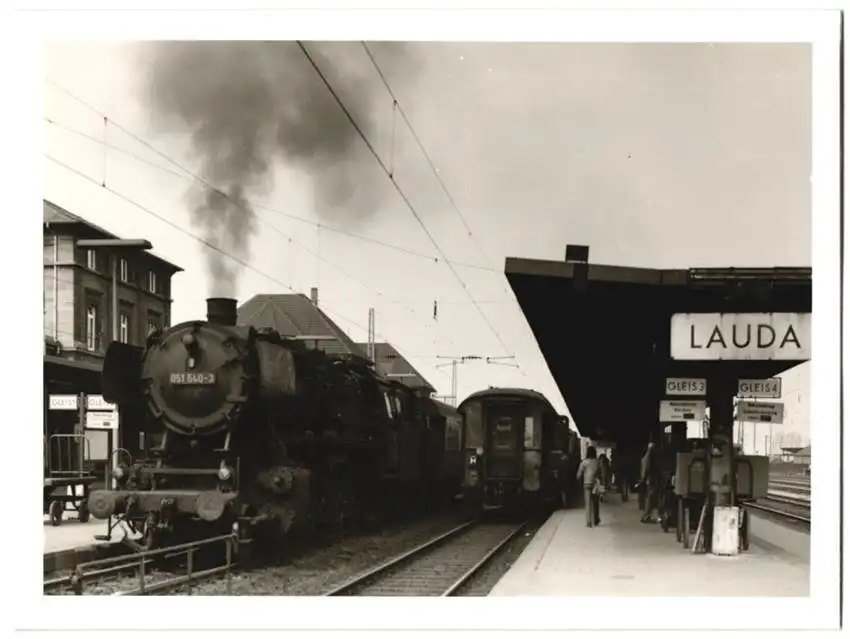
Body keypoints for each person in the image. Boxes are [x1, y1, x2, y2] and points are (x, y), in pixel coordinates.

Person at [576, 445, 601, 527]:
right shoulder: (597, 462)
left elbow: (579, 474)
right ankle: (596, 519)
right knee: (595, 502)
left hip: (587, 484)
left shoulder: (584, 462)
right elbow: (599, 472)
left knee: (588, 503)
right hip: (595, 484)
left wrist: (579, 478)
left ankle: (589, 522)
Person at [641, 441, 660, 524]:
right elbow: (647, 468)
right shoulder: (650, 456)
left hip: (650, 478)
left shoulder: (647, 456)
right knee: (650, 497)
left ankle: (647, 515)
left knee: (650, 497)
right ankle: (646, 515)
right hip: (651, 478)